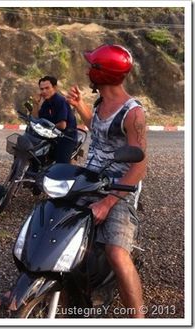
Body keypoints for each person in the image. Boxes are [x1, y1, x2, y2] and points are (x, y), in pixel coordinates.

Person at [66, 44, 147, 318]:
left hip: (119, 187)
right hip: (90, 179)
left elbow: (139, 167)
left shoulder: (133, 113)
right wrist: (80, 107)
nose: (88, 70)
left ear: (102, 73)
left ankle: (139, 318)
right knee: (55, 221)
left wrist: (108, 203)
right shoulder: (101, 101)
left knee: (116, 252)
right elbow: (99, 132)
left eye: (92, 66)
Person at [31, 76, 78, 163]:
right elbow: (36, 119)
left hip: (66, 137)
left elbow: (62, 125)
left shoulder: (60, 101)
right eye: (42, 89)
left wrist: (44, 128)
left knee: (60, 167)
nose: (44, 91)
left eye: (47, 88)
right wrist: (35, 104)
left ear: (55, 88)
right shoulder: (47, 103)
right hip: (52, 136)